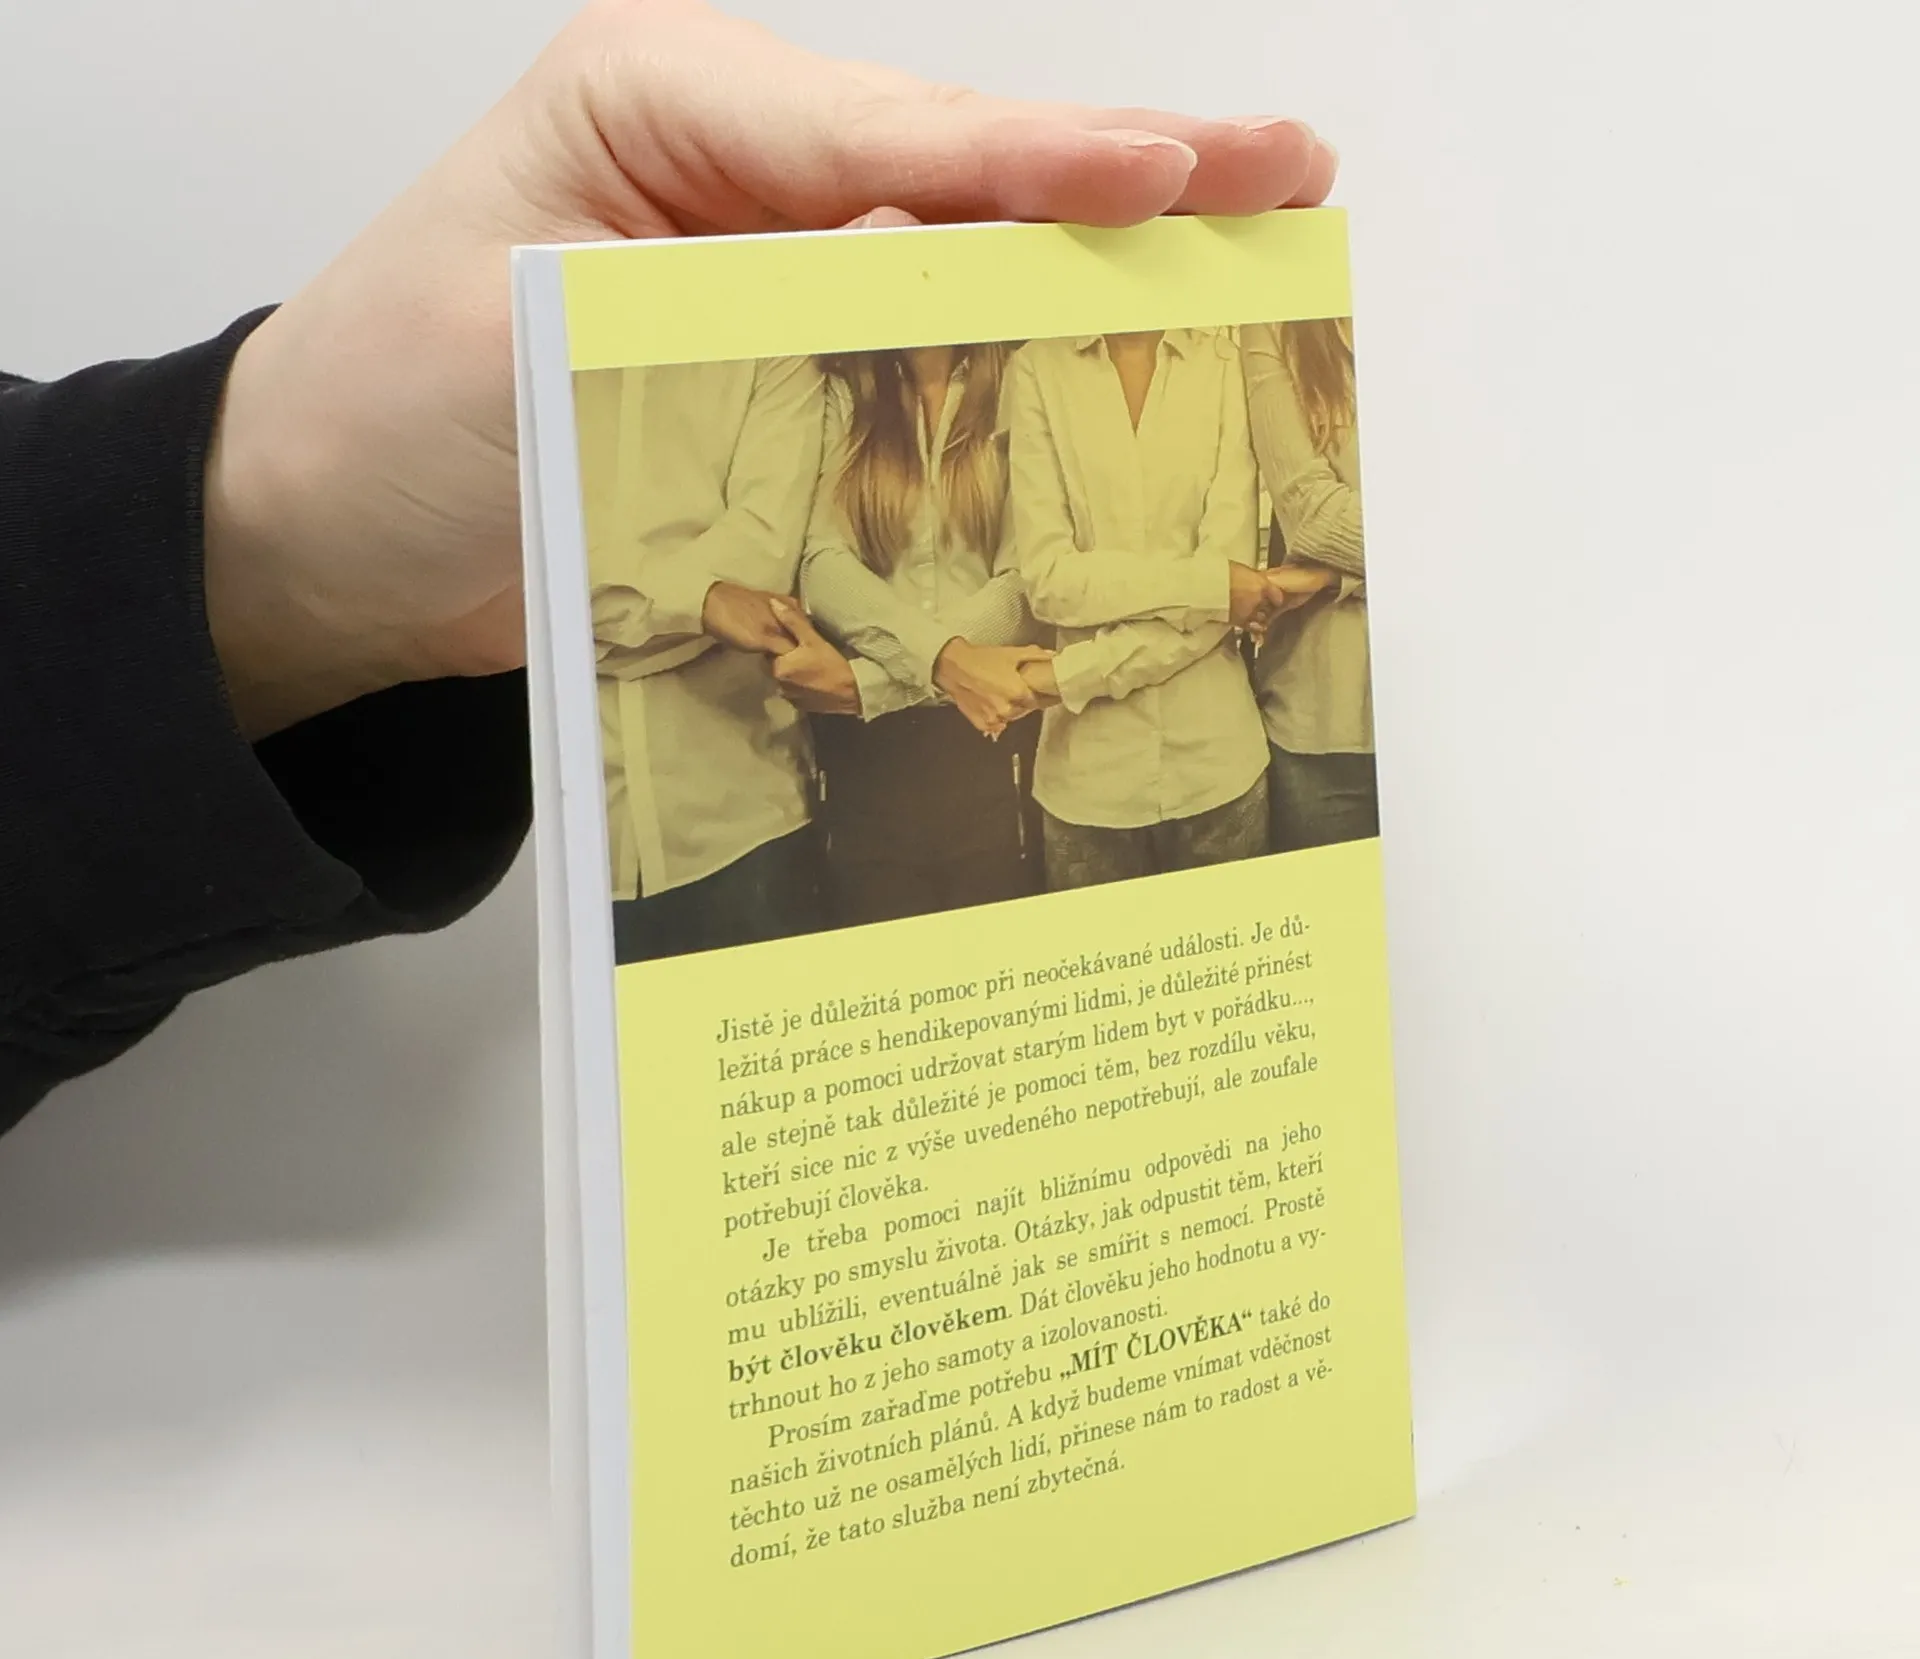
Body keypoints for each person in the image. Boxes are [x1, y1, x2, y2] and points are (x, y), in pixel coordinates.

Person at [0, 0, 1337, 1136]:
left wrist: (954, 657)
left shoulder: (1009, 375)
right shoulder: (838, 376)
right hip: (853, 759)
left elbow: (882, 575)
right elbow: (825, 570)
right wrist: (928, 651)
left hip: (921, 761)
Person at [1005, 328, 1300, 889]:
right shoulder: (1038, 368)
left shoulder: (1223, 364)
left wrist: (1068, 676)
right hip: (1088, 780)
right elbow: (1049, 581)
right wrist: (1206, 586)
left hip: (1216, 767)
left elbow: (1232, 590)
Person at [789, 342, 1054, 927]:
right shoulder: (842, 391)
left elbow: (1024, 585)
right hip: (867, 757)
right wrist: (947, 663)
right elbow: (822, 565)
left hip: (991, 739)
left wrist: (869, 685)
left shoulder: (1021, 379)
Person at [579, 356, 828, 961]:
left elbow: (761, 565)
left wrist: (586, 624)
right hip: (563, 841)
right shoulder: (518, 358)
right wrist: (701, 603)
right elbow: (516, 568)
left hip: (745, 821)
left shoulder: (770, 353)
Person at [1241, 319, 1375, 851]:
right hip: (1321, 722)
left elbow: (1497, 523)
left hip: (1453, 718)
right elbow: (1313, 518)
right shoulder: (1274, 326)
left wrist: (1332, 575)